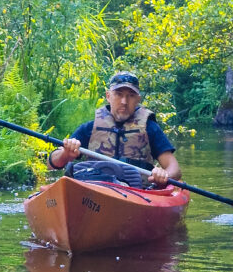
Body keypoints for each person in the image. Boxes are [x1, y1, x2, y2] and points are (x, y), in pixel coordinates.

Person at [47, 71, 181, 188]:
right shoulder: (89, 128)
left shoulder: (150, 128)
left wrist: (164, 174)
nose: (124, 101)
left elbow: (174, 169)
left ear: (138, 99)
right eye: (118, 94)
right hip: (94, 189)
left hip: (137, 193)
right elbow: (51, 164)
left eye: (131, 95)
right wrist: (65, 153)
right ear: (108, 96)